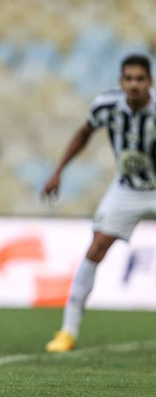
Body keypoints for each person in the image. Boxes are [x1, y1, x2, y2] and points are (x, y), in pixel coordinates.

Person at [43, 54, 156, 353]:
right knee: (95, 249)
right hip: (127, 189)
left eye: (140, 79)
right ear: (121, 82)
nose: (134, 85)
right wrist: (58, 171)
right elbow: (83, 133)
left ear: (150, 82)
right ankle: (67, 331)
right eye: (129, 79)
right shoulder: (107, 105)